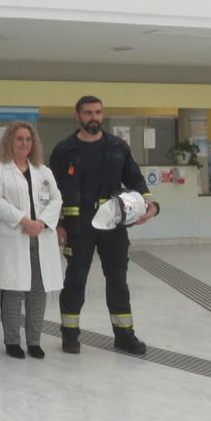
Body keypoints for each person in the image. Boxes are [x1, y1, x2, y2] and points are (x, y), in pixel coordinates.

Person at [50, 96, 158, 355]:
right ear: (77, 116)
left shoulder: (117, 146)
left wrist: (151, 205)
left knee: (118, 280)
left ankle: (124, 335)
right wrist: (58, 224)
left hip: (114, 224)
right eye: (88, 113)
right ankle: (70, 335)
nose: (93, 117)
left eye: (97, 112)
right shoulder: (65, 150)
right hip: (79, 226)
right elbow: (52, 191)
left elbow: (136, 180)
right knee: (75, 279)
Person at [0, 121, 63, 359]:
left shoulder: (43, 170)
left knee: (38, 291)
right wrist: (24, 221)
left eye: (28, 139)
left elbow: (56, 199)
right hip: (13, 236)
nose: (24, 143)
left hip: (40, 237)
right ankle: (12, 341)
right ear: (9, 141)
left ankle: (35, 341)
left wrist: (41, 223)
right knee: (14, 290)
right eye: (19, 139)